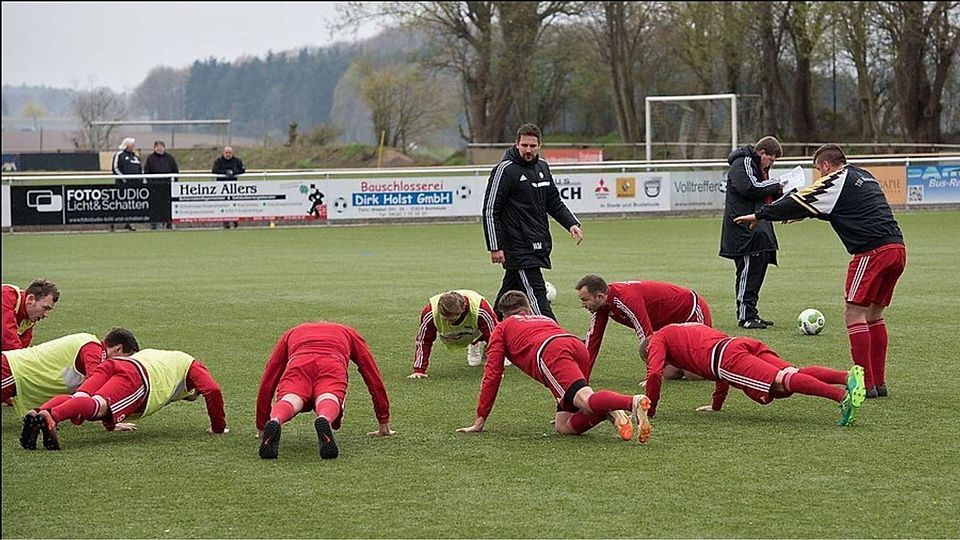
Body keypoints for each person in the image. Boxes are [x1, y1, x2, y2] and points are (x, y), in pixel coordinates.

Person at [734, 144, 906, 399]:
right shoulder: (864, 175)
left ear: (825, 165)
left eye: (818, 170)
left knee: (853, 313)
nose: (819, 175)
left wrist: (760, 215)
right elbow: (844, 208)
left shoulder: (836, 178)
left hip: (872, 253)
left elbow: (801, 198)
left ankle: (865, 383)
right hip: (897, 249)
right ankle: (878, 384)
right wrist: (804, 215)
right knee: (874, 315)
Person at [456, 291, 652, 445]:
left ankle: (631, 402)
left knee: (586, 401)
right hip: (576, 346)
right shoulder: (544, 318)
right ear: (529, 308)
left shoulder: (502, 327)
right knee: (564, 425)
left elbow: (493, 374)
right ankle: (608, 410)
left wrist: (481, 418)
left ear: (503, 315)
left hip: (551, 352)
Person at [639, 323, 866, 427]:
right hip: (739, 343)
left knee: (781, 383)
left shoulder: (658, 339)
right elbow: (719, 373)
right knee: (790, 373)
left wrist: (651, 409)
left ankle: (841, 398)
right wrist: (716, 405)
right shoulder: (682, 330)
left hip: (726, 358)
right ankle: (846, 377)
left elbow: (655, 374)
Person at [20, 347, 227, 450]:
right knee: (98, 407)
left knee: (80, 396)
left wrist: (112, 425)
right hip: (139, 377)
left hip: (116, 364)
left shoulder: (167, 356)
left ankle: (39, 413)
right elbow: (212, 389)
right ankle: (52, 416)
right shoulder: (192, 365)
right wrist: (218, 427)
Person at [482, 123, 583, 322]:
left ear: (539, 145)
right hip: (516, 244)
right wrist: (495, 246)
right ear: (516, 144)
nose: (528, 150)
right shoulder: (505, 170)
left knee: (508, 294)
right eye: (524, 145)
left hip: (537, 242)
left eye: (533, 146)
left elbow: (553, 201)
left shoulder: (542, 167)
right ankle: (554, 338)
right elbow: (489, 210)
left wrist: (571, 223)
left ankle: (487, 335)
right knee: (536, 293)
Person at [256, 322, 394, 460]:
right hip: (331, 364)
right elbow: (372, 375)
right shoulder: (349, 333)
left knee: (290, 399)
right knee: (329, 396)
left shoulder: (292, 332)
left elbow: (270, 376)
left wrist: (262, 425)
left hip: (299, 363)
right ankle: (324, 418)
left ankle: (275, 420)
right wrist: (383, 420)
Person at [574, 274, 708, 382]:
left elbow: (646, 336)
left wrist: (651, 376)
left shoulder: (627, 300)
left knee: (694, 375)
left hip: (691, 311)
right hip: (671, 326)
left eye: (585, 300)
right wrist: (581, 378)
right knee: (669, 373)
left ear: (599, 297)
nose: (583, 305)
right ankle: (685, 360)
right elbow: (593, 340)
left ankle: (707, 364)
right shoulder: (601, 305)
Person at [719, 136, 786, 329]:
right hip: (744, 230)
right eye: (771, 159)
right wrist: (777, 185)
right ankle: (745, 316)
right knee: (748, 271)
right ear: (762, 153)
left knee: (756, 270)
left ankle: (751, 312)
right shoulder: (744, 162)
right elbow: (749, 187)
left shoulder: (758, 167)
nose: (771, 164)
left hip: (757, 230)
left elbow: (763, 192)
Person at [3, 328, 139, 421]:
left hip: (15, 375)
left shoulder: (91, 346)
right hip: (11, 371)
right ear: (118, 348)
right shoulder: (93, 348)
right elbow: (94, 386)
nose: (123, 365)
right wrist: (110, 415)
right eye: (125, 359)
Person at [409, 290, 499, 379]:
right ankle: (473, 342)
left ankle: (475, 342)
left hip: (476, 329)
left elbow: (494, 337)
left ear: (463, 309)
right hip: (450, 336)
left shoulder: (481, 309)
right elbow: (423, 341)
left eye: (451, 319)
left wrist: (496, 368)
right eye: (445, 319)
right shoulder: (430, 312)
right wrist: (419, 370)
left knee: (491, 335)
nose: (448, 323)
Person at [2, 279, 59, 351]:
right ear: (30, 299)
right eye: (45, 308)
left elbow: (23, 348)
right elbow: (7, 336)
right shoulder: (6, 295)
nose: (46, 315)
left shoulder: (27, 319)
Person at [143, 140, 178, 230]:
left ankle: (168, 222)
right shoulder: (150, 158)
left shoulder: (169, 158)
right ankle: (154, 223)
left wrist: (174, 183)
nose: (159, 148)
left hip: (167, 186)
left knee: (167, 205)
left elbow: (175, 170)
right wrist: (151, 183)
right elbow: (147, 172)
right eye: (157, 146)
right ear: (154, 148)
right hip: (155, 186)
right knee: (155, 205)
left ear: (164, 147)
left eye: (161, 146)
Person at [111, 137, 141, 231]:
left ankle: (129, 223)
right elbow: (115, 168)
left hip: (135, 185)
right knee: (119, 204)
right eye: (132, 145)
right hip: (122, 185)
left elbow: (140, 169)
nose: (133, 146)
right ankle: (112, 224)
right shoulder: (119, 155)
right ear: (126, 145)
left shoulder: (136, 157)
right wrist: (123, 179)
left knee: (132, 205)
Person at [212, 146, 245, 229]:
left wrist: (234, 172)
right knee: (224, 204)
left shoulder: (237, 161)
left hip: (234, 187)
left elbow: (242, 170)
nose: (228, 154)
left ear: (232, 153)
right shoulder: (219, 161)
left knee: (234, 204)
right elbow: (214, 170)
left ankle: (235, 222)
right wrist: (225, 172)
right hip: (222, 187)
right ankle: (226, 223)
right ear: (224, 153)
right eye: (226, 153)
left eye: (229, 153)